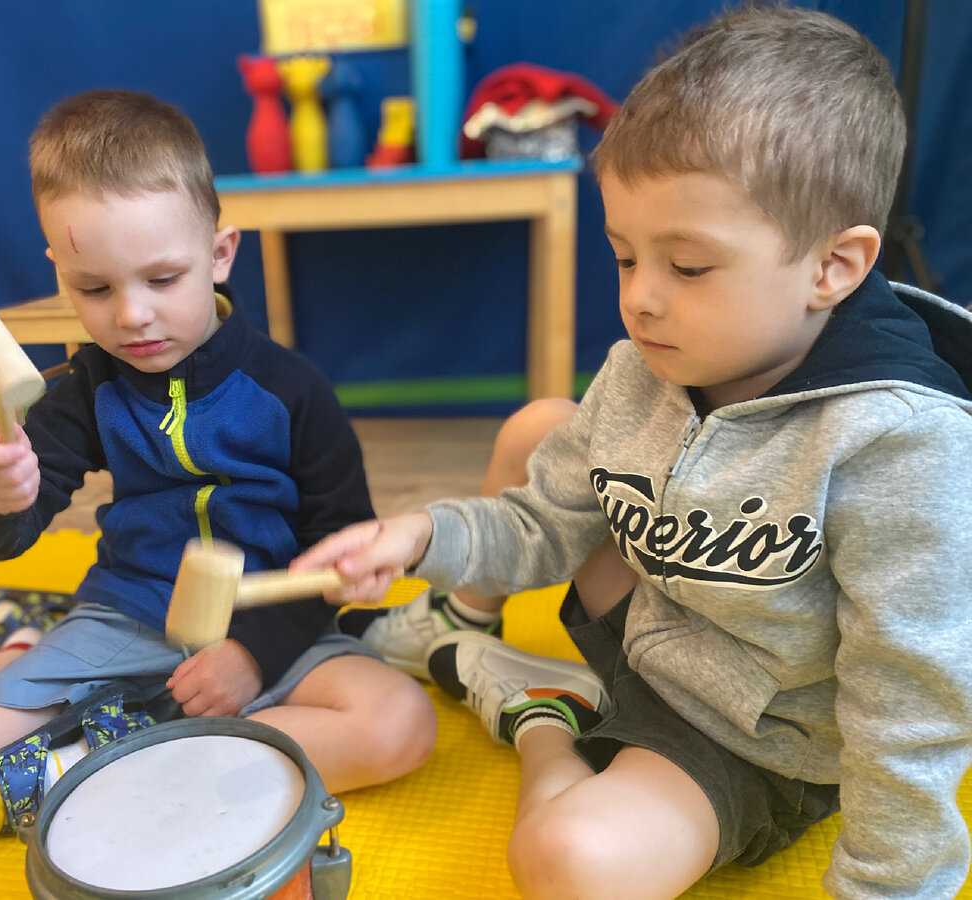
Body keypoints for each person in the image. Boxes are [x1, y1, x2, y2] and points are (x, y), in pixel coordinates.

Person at [296, 7, 972, 899]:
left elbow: (912, 695)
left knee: (569, 861)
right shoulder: (642, 369)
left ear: (833, 268)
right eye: (624, 257)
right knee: (541, 430)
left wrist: (890, 882)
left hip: (758, 739)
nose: (641, 300)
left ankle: (542, 715)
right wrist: (418, 536)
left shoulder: (900, 445)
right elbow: (541, 522)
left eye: (687, 267)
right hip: (660, 627)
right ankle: (455, 622)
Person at [0, 89, 436, 836]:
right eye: (94, 288)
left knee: (400, 723)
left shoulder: (294, 392)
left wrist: (252, 655)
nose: (132, 315)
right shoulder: (84, 390)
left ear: (219, 254)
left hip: (273, 625)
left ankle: (122, 750)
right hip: (128, 616)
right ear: (61, 271)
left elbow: (338, 545)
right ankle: (103, 708)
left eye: (161, 279)